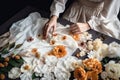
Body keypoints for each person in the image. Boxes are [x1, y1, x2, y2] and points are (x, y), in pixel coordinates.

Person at [43, 0, 120, 40]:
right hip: (76, 10)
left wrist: (89, 24)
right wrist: (54, 16)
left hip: (100, 17)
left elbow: (109, 12)